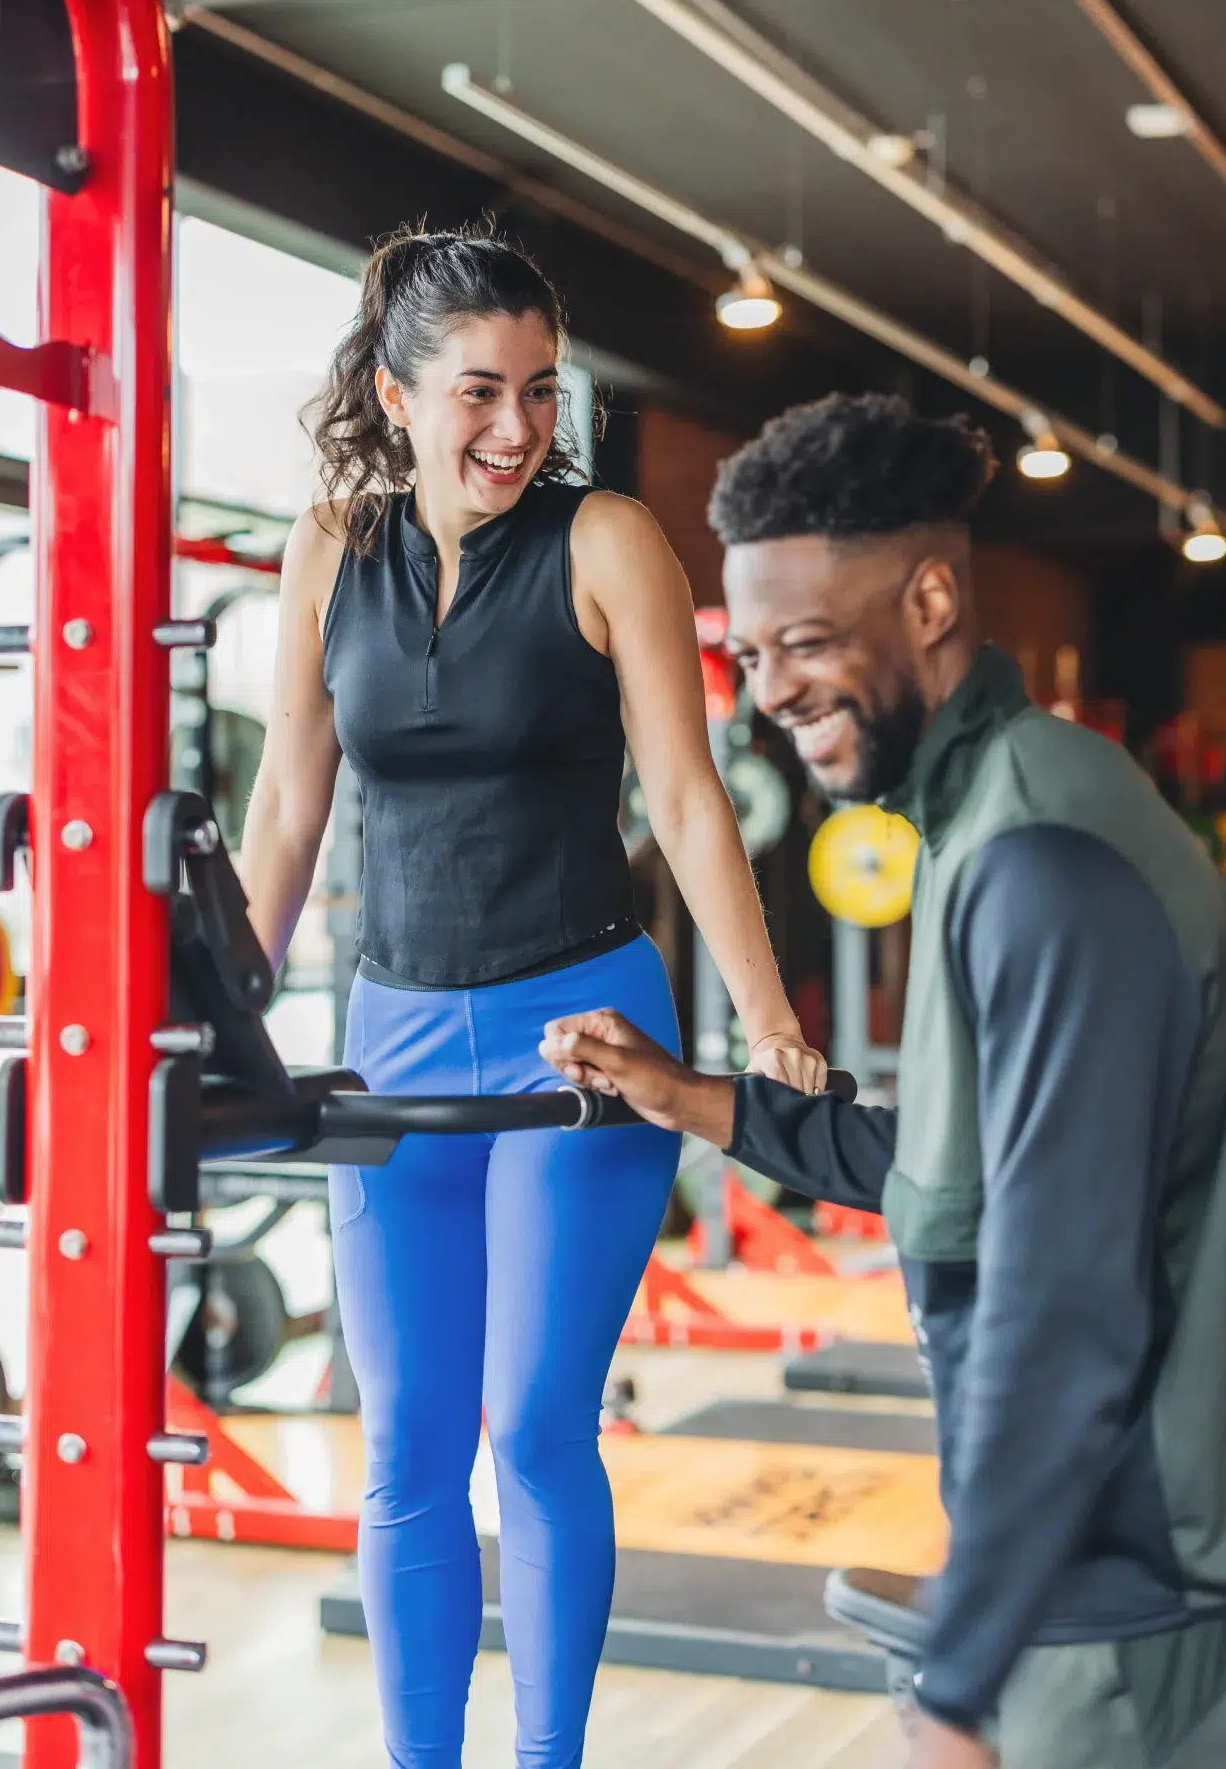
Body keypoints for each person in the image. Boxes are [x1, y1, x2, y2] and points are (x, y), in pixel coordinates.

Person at [540, 392, 1226, 1769]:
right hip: (1119, 1585)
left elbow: (1065, 1300)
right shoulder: (990, 819)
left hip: (1157, 1613)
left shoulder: (1040, 858)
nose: (773, 690)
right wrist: (693, 1098)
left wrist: (962, 1680)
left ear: (928, 601)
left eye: (807, 642)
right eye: (753, 653)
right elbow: (958, 1173)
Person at [239, 228, 825, 1769]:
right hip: (393, 1041)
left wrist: (769, 1023)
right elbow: (287, 806)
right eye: (481, 391)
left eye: (541, 390)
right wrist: (225, 1020)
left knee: (536, 1427)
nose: (518, 426)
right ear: (396, 393)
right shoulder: (329, 548)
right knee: (406, 1447)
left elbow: (686, 799)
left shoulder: (606, 540)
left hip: (584, 1037)